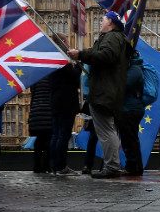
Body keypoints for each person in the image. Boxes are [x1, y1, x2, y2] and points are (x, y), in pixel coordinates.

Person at [67, 11, 129, 179]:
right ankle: (113, 165)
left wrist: (81, 55)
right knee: (108, 130)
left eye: (103, 19)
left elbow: (105, 55)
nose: (100, 22)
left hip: (104, 92)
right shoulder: (115, 38)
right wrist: (82, 54)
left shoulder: (112, 38)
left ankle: (112, 167)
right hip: (108, 91)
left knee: (106, 131)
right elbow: (99, 54)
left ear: (111, 22)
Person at [48, 48, 82, 176]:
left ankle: (54, 166)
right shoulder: (62, 61)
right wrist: (78, 64)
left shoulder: (51, 60)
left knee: (56, 135)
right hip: (66, 103)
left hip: (56, 103)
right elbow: (75, 77)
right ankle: (61, 166)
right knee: (63, 135)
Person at [117, 50, 145, 176]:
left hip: (131, 109)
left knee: (130, 139)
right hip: (128, 108)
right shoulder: (133, 68)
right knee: (129, 139)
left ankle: (134, 167)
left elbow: (123, 85)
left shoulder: (135, 70)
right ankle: (134, 166)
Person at [28, 76, 53, 173]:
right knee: (49, 141)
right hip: (49, 113)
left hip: (36, 113)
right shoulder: (52, 78)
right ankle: (47, 166)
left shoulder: (35, 80)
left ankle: (37, 166)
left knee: (38, 142)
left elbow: (33, 95)